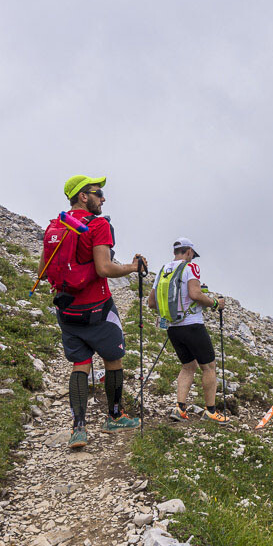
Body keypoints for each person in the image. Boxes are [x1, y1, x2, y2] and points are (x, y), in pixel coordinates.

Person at [57, 175, 146, 449]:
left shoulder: (57, 225)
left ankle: (78, 429)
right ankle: (115, 416)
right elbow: (104, 268)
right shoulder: (98, 225)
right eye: (98, 193)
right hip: (98, 308)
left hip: (68, 310)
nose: (103, 198)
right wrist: (133, 267)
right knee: (113, 359)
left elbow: (43, 271)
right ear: (83, 196)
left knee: (80, 365)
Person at [148, 238, 230, 424]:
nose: (192, 258)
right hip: (192, 325)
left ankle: (180, 409)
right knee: (208, 367)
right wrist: (215, 303)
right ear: (189, 252)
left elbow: (151, 303)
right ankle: (210, 411)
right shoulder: (190, 268)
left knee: (188, 366)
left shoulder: (163, 270)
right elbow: (195, 294)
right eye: (192, 255)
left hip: (173, 328)